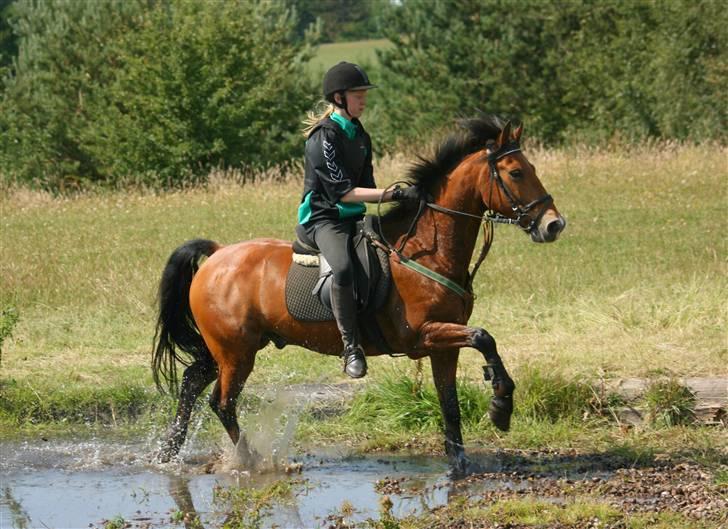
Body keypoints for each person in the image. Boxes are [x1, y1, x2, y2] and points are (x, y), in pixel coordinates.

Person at [297, 61, 419, 378]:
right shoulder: (322, 138)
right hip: (324, 219)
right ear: (339, 97)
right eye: (358, 94)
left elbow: (366, 182)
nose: (364, 99)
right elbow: (344, 193)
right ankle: (351, 347)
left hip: (354, 218)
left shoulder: (360, 135)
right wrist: (391, 195)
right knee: (344, 267)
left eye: (364, 93)